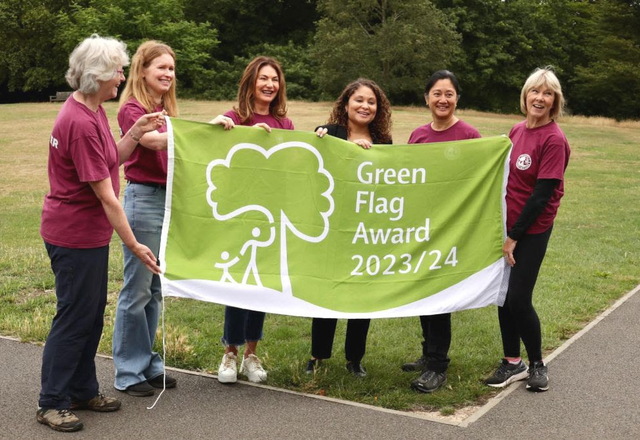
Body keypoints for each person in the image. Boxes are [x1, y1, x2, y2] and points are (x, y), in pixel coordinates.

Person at [38, 35, 165, 432]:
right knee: (75, 317)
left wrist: (135, 132)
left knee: (91, 316)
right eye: (117, 70)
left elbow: (112, 157)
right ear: (97, 76)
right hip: (72, 234)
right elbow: (109, 197)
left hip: (87, 236)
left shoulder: (90, 108)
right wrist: (134, 244)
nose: (122, 76)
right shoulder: (78, 122)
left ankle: (81, 389)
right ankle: (52, 401)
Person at [484, 66, 570, 392]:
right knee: (502, 296)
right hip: (507, 226)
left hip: (531, 230)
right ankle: (511, 362)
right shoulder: (517, 130)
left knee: (518, 298)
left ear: (554, 101)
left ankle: (536, 363)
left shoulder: (554, 139)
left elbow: (540, 197)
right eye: (535, 91)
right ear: (526, 95)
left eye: (547, 93)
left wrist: (514, 236)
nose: (540, 98)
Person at [210, 56, 293, 384]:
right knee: (238, 283)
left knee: (260, 285)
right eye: (263, 79)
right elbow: (209, 146)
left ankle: (251, 355)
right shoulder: (235, 118)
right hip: (239, 214)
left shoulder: (284, 125)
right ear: (251, 83)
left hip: (272, 214)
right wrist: (222, 128)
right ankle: (229, 352)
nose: (270, 84)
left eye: (275, 79)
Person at [307, 78, 393, 377]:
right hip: (332, 228)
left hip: (366, 230)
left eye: (371, 102)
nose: (365, 106)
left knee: (361, 293)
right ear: (346, 104)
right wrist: (325, 143)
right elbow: (312, 170)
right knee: (327, 290)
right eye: (359, 100)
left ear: (378, 108)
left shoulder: (384, 142)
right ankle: (318, 355)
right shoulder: (327, 133)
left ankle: (355, 358)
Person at [401, 70, 481, 393]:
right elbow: (406, 178)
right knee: (423, 293)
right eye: (437, 93)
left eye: (448, 94)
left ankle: (437, 365)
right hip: (422, 228)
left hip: (452, 230)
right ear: (427, 98)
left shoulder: (470, 136)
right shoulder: (418, 135)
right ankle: (427, 352)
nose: (442, 100)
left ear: (457, 98)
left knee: (441, 298)